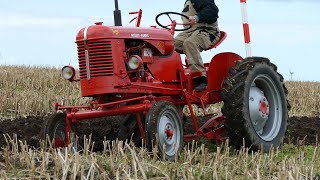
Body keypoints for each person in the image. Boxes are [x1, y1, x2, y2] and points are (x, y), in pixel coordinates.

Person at [174, 0, 220, 92]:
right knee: (168, 44)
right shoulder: (188, 2)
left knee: (190, 43)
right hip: (189, 32)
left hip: (207, 31)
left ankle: (200, 78)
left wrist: (197, 17)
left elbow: (212, 11)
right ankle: (172, 77)